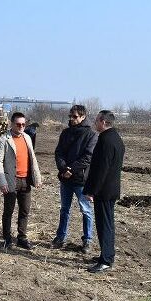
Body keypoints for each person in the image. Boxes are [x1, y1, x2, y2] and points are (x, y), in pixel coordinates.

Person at [52, 105, 98, 254]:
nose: (72, 119)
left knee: (85, 210)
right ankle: (61, 236)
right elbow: (59, 152)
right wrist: (64, 169)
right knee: (64, 209)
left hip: (80, 180)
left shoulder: (91, 135)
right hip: (65, 179)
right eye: (70, 116)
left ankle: (87, 240)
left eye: (75, 117)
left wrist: (71, 170)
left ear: (83, 117)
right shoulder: (65, 133)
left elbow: (88, 157)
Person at [83, 110, 125, 273]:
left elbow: (102, 169)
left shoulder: (106, 140)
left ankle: (106, 260)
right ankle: (106, 254)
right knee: (106, 224)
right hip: (109, 189)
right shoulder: (115, 138)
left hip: (104, 191)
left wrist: (92, 191)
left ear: (103, 121)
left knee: (104, 225)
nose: (94, 122)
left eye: (96, 120)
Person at [0, 112, 42, 250]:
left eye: (23, 124)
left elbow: (33, 159)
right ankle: (7, 238)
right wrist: (2, 181)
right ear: (12, 124)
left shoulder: (27, 137)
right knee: (8, 210)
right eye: (18, 124)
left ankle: (22, 237)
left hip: (26, 180)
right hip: (11, 180)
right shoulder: (4, 139)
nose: (21, 126)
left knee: (25, 210)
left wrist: (37, 177)